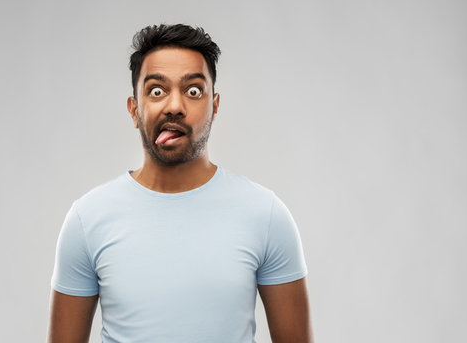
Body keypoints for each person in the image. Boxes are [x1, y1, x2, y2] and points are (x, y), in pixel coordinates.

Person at [47, 24, 312, 343]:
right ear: (134, 110)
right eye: (157, 91)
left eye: (193, 91)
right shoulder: (87, 219)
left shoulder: (266, 215)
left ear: (214, 106)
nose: (174, 106)